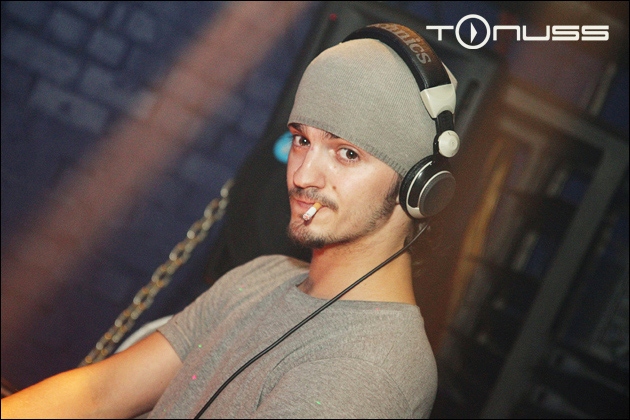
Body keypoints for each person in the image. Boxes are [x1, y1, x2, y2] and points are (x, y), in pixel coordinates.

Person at [1, 23, 458, 419]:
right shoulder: (262, 276)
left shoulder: (373, 368)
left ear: (418, 185)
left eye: (347, 153)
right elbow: (101, 393)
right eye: (302, 140)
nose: (303, 175)